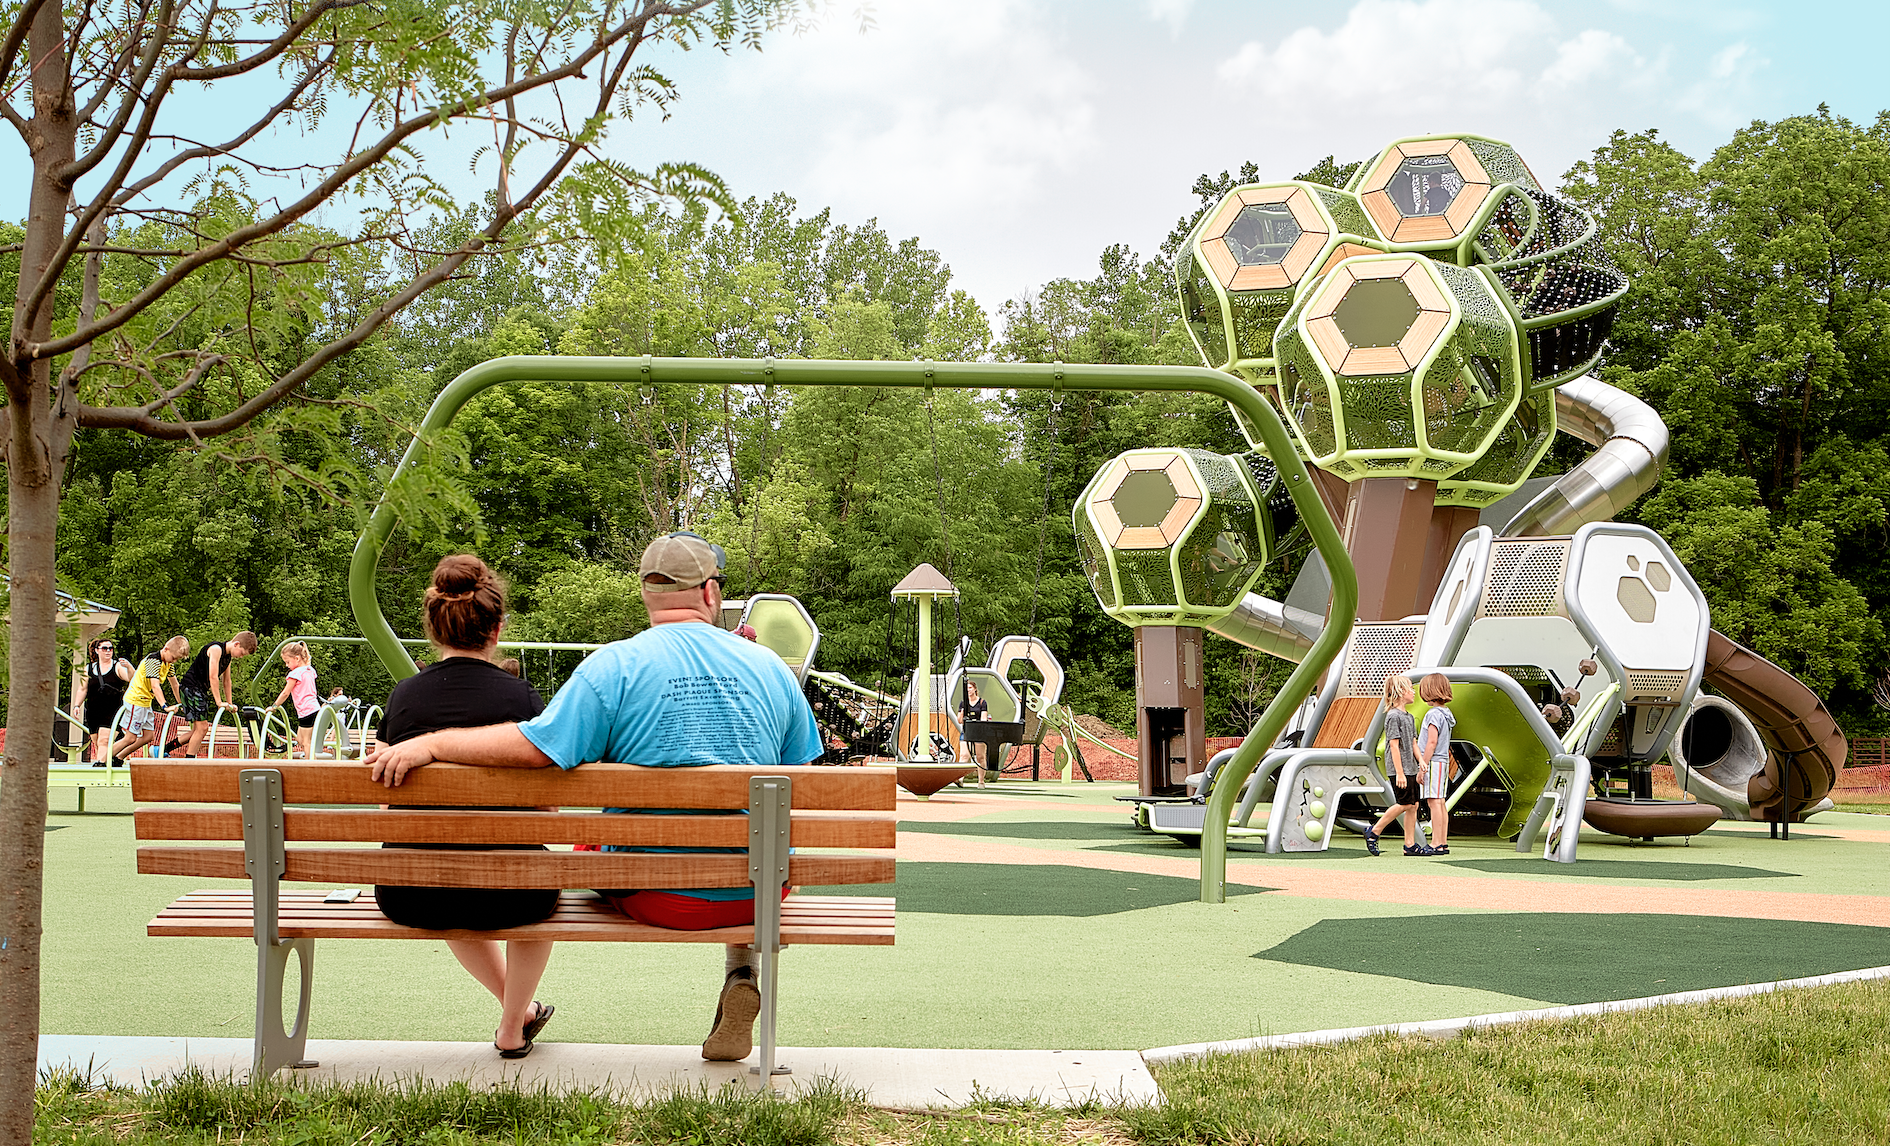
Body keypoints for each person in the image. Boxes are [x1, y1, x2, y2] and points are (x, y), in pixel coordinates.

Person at [365, 531, 822, 1064]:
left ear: (647, 595)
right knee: (751, 843)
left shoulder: (612, 667)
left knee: (590, 852)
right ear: (713, 595)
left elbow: (537, 747)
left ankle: (521, 1014)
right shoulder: (771, 669)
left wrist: (434, 744)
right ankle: (740, 965)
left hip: (650, 893)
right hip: (756, 896)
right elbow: (800, 779)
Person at [372, 554, 558, 1059]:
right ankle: (511, 1024)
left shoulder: (404, 698)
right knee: (536, 884)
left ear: (433, 628)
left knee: (443, 868)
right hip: (514, 892)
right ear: (497, 628)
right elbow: (548, 809)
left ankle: (515, 1014)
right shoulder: (522, 700)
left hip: (413, 890)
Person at [1364, 675, 1432, 857]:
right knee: (1404, 804)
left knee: (1413, 805)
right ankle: (1374, 831)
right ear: (1401, 692)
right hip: (1399, 769)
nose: (1413, 692)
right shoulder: (1393, 717)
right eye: (1410, 688)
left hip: (1410, 767)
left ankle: (1409, 845)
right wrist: (1400, 773)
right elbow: (1394, 745)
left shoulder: (1409, 717)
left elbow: (1413, 743)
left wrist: (1421, 761)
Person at [178, 632, 259, 758]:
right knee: (203, 728)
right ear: (236, 644)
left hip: (199, 689)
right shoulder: (216, 649)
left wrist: (230, 703)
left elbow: (227, 681)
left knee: (197, 730)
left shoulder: (227, 657)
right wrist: (219, 702)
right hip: (191, 687)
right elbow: (213, 676)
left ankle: (162, 749)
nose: (241, 657)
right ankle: (189, 761)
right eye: (242, 653)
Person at [110, 636, 189, 762]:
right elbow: (155, 685)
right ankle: (102, 759)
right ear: (166, 649)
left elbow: (175, 684)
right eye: (173, 658)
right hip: (136, 700)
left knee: (148, 736)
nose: (174, 661)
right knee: (130, 738)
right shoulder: (153, 661)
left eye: (177, 659)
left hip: (145, 701)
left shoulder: (167, 664)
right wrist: (165, 706)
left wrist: (182, 704)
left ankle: (119, 757)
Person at [1416, 672, 1457, 856]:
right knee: (1440, 802)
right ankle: (1442, 841)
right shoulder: (1446, 714)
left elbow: (1431, 742)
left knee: (1434, 801)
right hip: (1443, 761)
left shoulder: (1432, 715)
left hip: (1433, 762)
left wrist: (1422, 764)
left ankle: (1435, 843)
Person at [75, 637, 132, 764]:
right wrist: (76, 705)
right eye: (104, 648)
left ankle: (100, 768)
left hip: (113, 710)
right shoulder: (89, 668)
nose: (108, 651)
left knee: (104, 740)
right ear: (97, 650)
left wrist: (129, 667)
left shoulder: (117, 666)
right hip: (94, 711)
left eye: (110, 648)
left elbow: (130, 678)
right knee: (97, 742)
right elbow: (82, 689)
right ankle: (110, 762)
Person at [270, 642, 320, 757]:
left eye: (288, 662)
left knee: (306, 742)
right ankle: (310, 761)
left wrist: (274, 706)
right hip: (313, 708)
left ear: (297, 658)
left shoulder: (295, 673)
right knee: (300, 739)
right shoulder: (309, 670)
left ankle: (311, 766)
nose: (287, 665)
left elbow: (285, 693)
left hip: (307, 710)